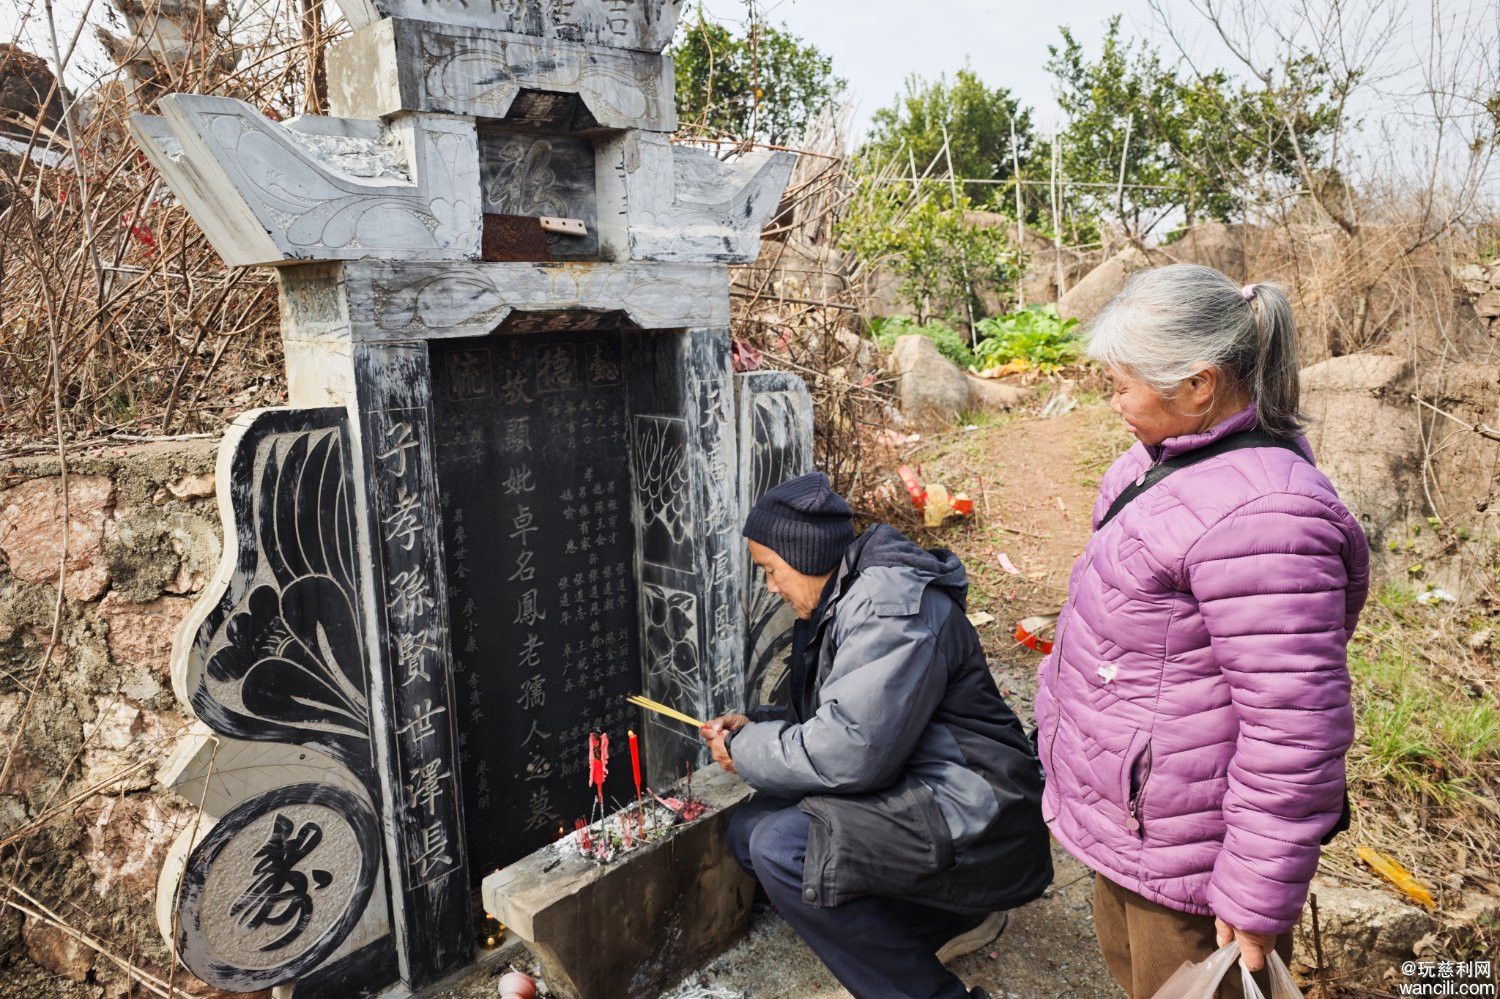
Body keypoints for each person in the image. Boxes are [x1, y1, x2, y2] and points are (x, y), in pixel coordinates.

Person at [1035, 264, 1369, 998]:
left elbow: (1295, 727)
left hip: (1197, 868)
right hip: (1139, 830)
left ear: (1200, 383)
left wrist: (1254, 899)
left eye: (1125, 382)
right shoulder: (1156, 462)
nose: (1113, 399)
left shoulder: (1270, 517)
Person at [701, 472, 1052, 999]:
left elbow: (851, 754)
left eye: (770, 571)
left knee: (784, 846)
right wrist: (758, 725)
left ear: (805, 555)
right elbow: (847, 710)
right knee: (751, 827)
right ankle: (928, 924)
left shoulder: (890, 606)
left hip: (977, 813)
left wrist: (747, 749)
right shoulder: (848, 593)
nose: (771, 587)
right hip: (918, 786)